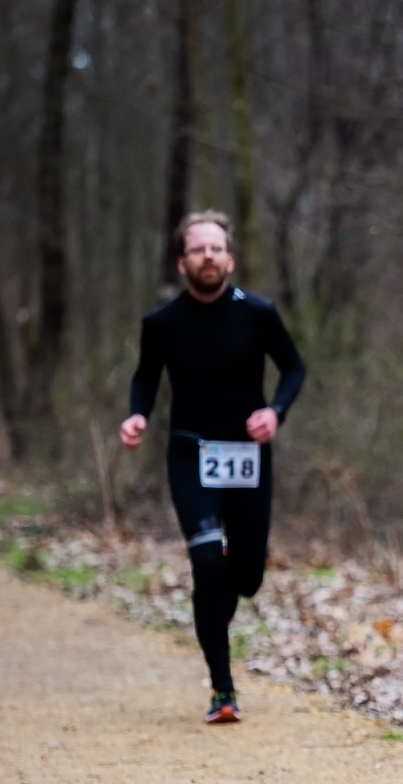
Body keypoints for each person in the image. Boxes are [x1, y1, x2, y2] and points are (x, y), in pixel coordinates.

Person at [120, 211, 305, 724]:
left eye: (216, 249)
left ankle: (212, 613)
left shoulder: (258, 313)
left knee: (246, 578)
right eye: (198, 249)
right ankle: (223, 689)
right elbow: (145, 378)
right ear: (182, 263)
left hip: (247, 456)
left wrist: (276, 411)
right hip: (191, 454)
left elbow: (293, 367)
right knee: (206, 560)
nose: (208, 256)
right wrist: (137, 415)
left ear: (230, 259)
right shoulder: (162, 323)